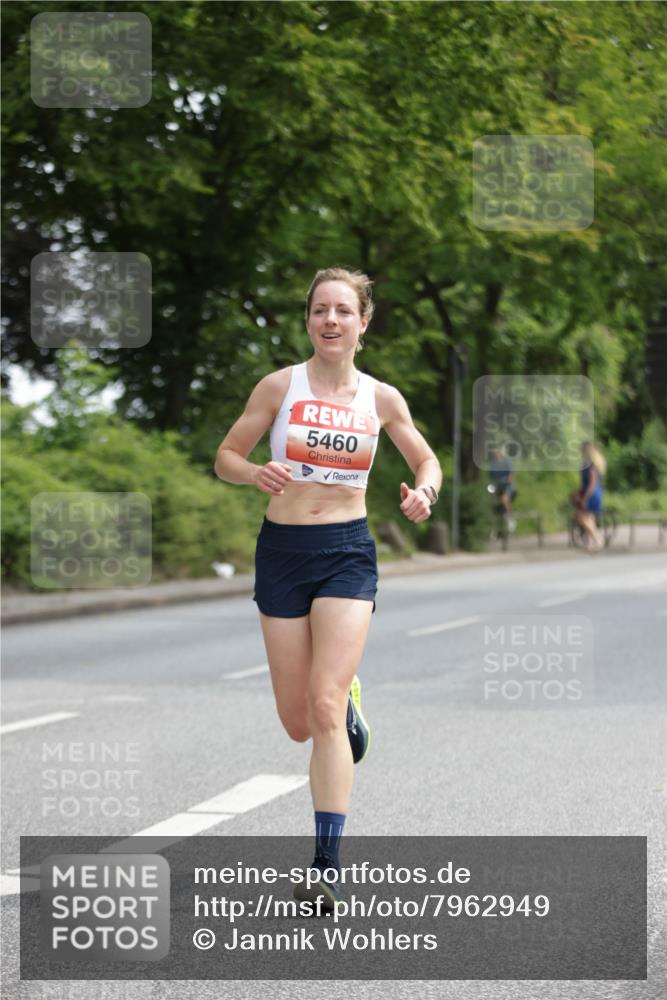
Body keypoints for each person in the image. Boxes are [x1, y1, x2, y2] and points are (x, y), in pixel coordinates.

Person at [214, 266, 442, 910]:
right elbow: (226, 456)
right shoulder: (279, 386)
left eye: (344, 310)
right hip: (282, 552)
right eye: (321, 310)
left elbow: (426, 459)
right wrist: (253, 472)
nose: (332, 321)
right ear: (309, 320)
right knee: (297, 723)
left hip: (347, 553)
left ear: (363, 323)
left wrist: (424, 492)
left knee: (320, 705)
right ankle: (346, 705)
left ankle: (324, 867)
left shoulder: (381, 398)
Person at [572, 440, 606, 551]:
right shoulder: (592, 464)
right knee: (589, 518)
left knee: (580, 516)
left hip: (591, 493)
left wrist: (584, 498)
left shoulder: (590, 466)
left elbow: (591, 484)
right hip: (594, 492)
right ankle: (589, 543)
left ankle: (597, 538)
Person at [489, 447, 517, 531]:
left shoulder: (506, 462)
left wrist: (509, 479)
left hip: (507, 485)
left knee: (504, 499)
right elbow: (490, 476)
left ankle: (510, 519)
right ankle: (493, 524)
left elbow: (511, 473)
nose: (496, 455)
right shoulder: (493, 464)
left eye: (497, 453)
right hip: (497, 486)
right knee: (491, 501)